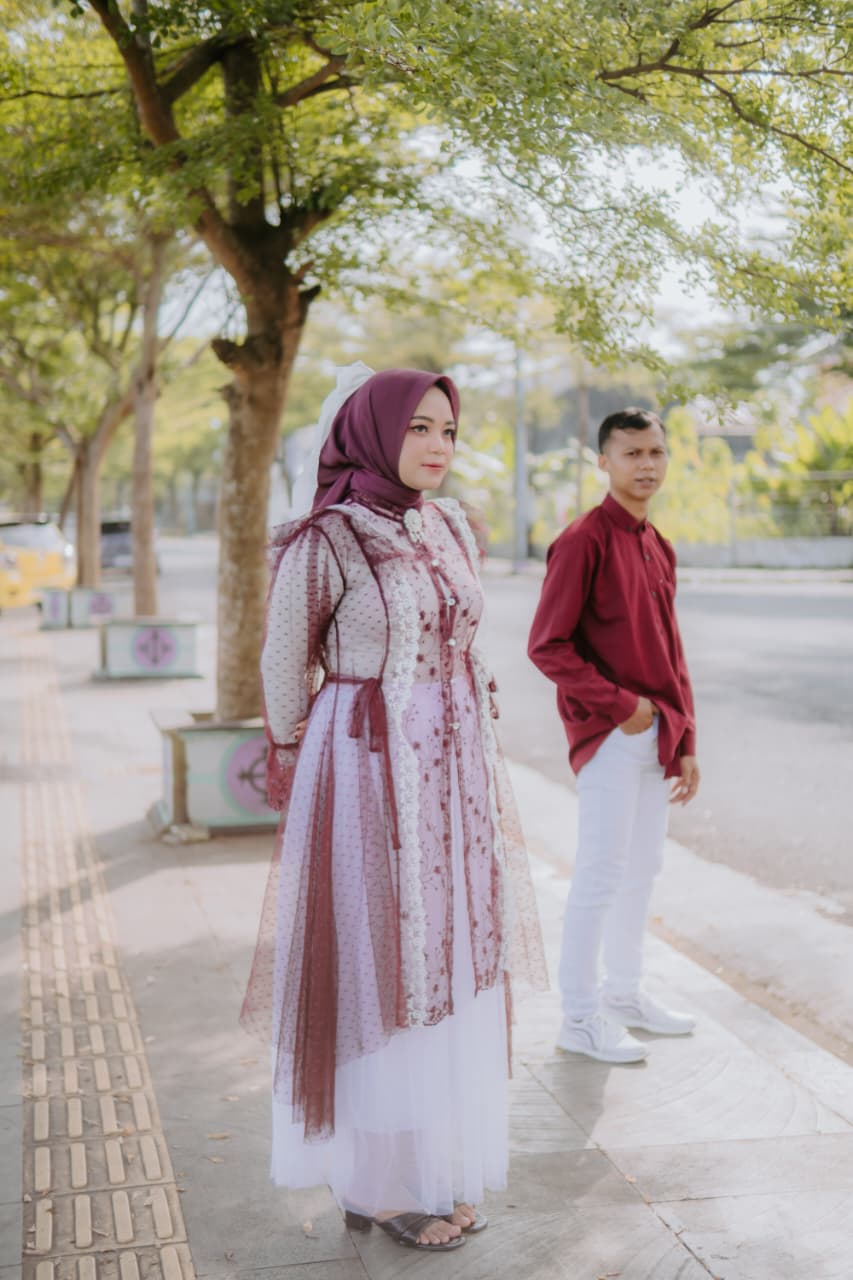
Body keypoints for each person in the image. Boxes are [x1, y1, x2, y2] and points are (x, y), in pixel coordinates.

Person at [242, 366, 546, 1251]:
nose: (437, 445)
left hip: (452, 776)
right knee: (379, 960)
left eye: (447, 429)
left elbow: (459, 637)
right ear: (371, 432)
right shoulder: (328, 538)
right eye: (417, 427)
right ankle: (376, 1185)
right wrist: (303, 757)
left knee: (442, 956)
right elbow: (283, 663)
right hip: (367, 773)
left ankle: (421, 1169)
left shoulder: (446, 524)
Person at [527, 407, 700, 1065]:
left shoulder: (658, 544)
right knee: (600, 874)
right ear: (603, 462)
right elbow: (547, 645)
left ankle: (623, 995)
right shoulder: (582, 541)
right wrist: (620, 705)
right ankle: (578, 1017)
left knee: (642, 871)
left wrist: (686, 739)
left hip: (658, 734)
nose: (645, 464)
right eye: (631, 453)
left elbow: (672, 651)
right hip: (610, 734)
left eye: (655, 451)